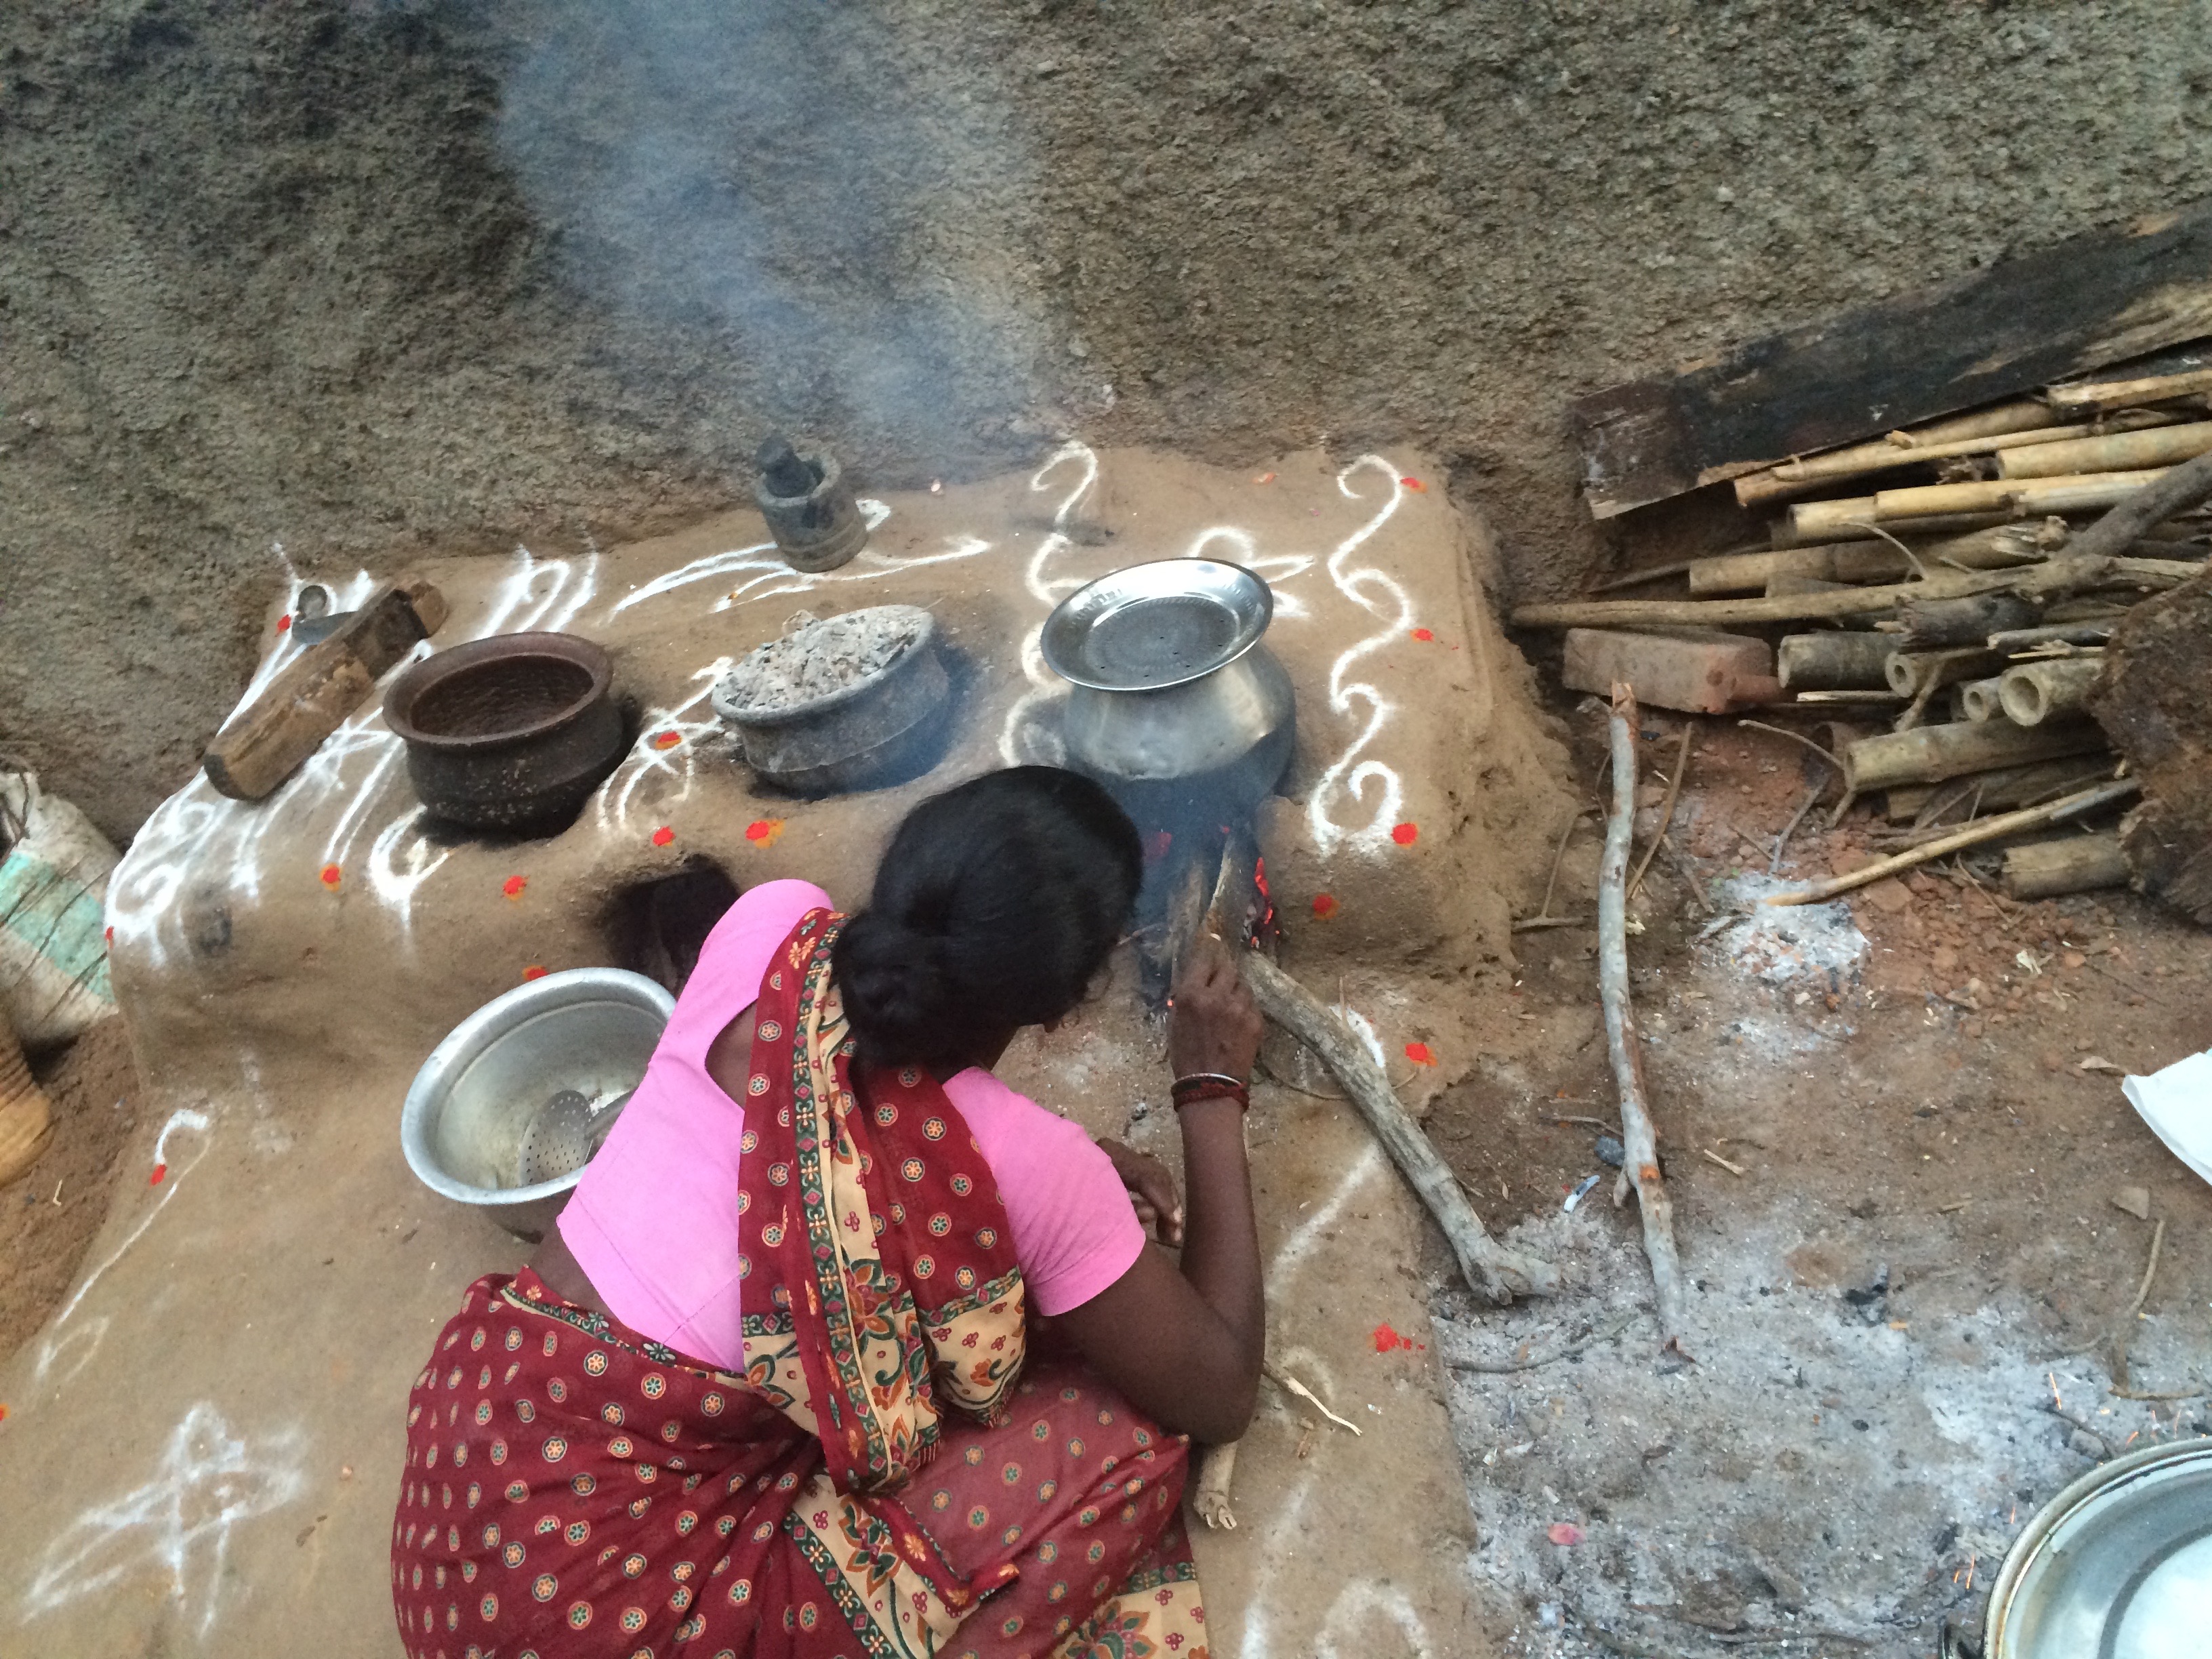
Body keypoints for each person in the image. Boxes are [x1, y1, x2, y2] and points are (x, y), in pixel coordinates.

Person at [391, 766, 1266, 1658]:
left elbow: (855, 1140)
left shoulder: (769, 926)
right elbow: (1222, 1392)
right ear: (1061, 1007)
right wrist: (1210, 1087)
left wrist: (1048, 1192)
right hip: (592, 1616)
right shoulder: (1029, 1165)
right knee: (1129, 1438)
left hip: (464, 1492)